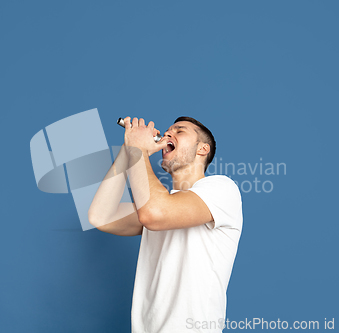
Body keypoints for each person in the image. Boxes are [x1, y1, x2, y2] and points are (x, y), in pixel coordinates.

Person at [88, 116, 243, 333]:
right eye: (169, 130)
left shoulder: (222, 189)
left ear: (202, 149)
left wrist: (138, 151)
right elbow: (100, 217)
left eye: (180, 131)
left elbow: (155, 212)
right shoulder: (157, 203)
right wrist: (128, 150)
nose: (169, 133)